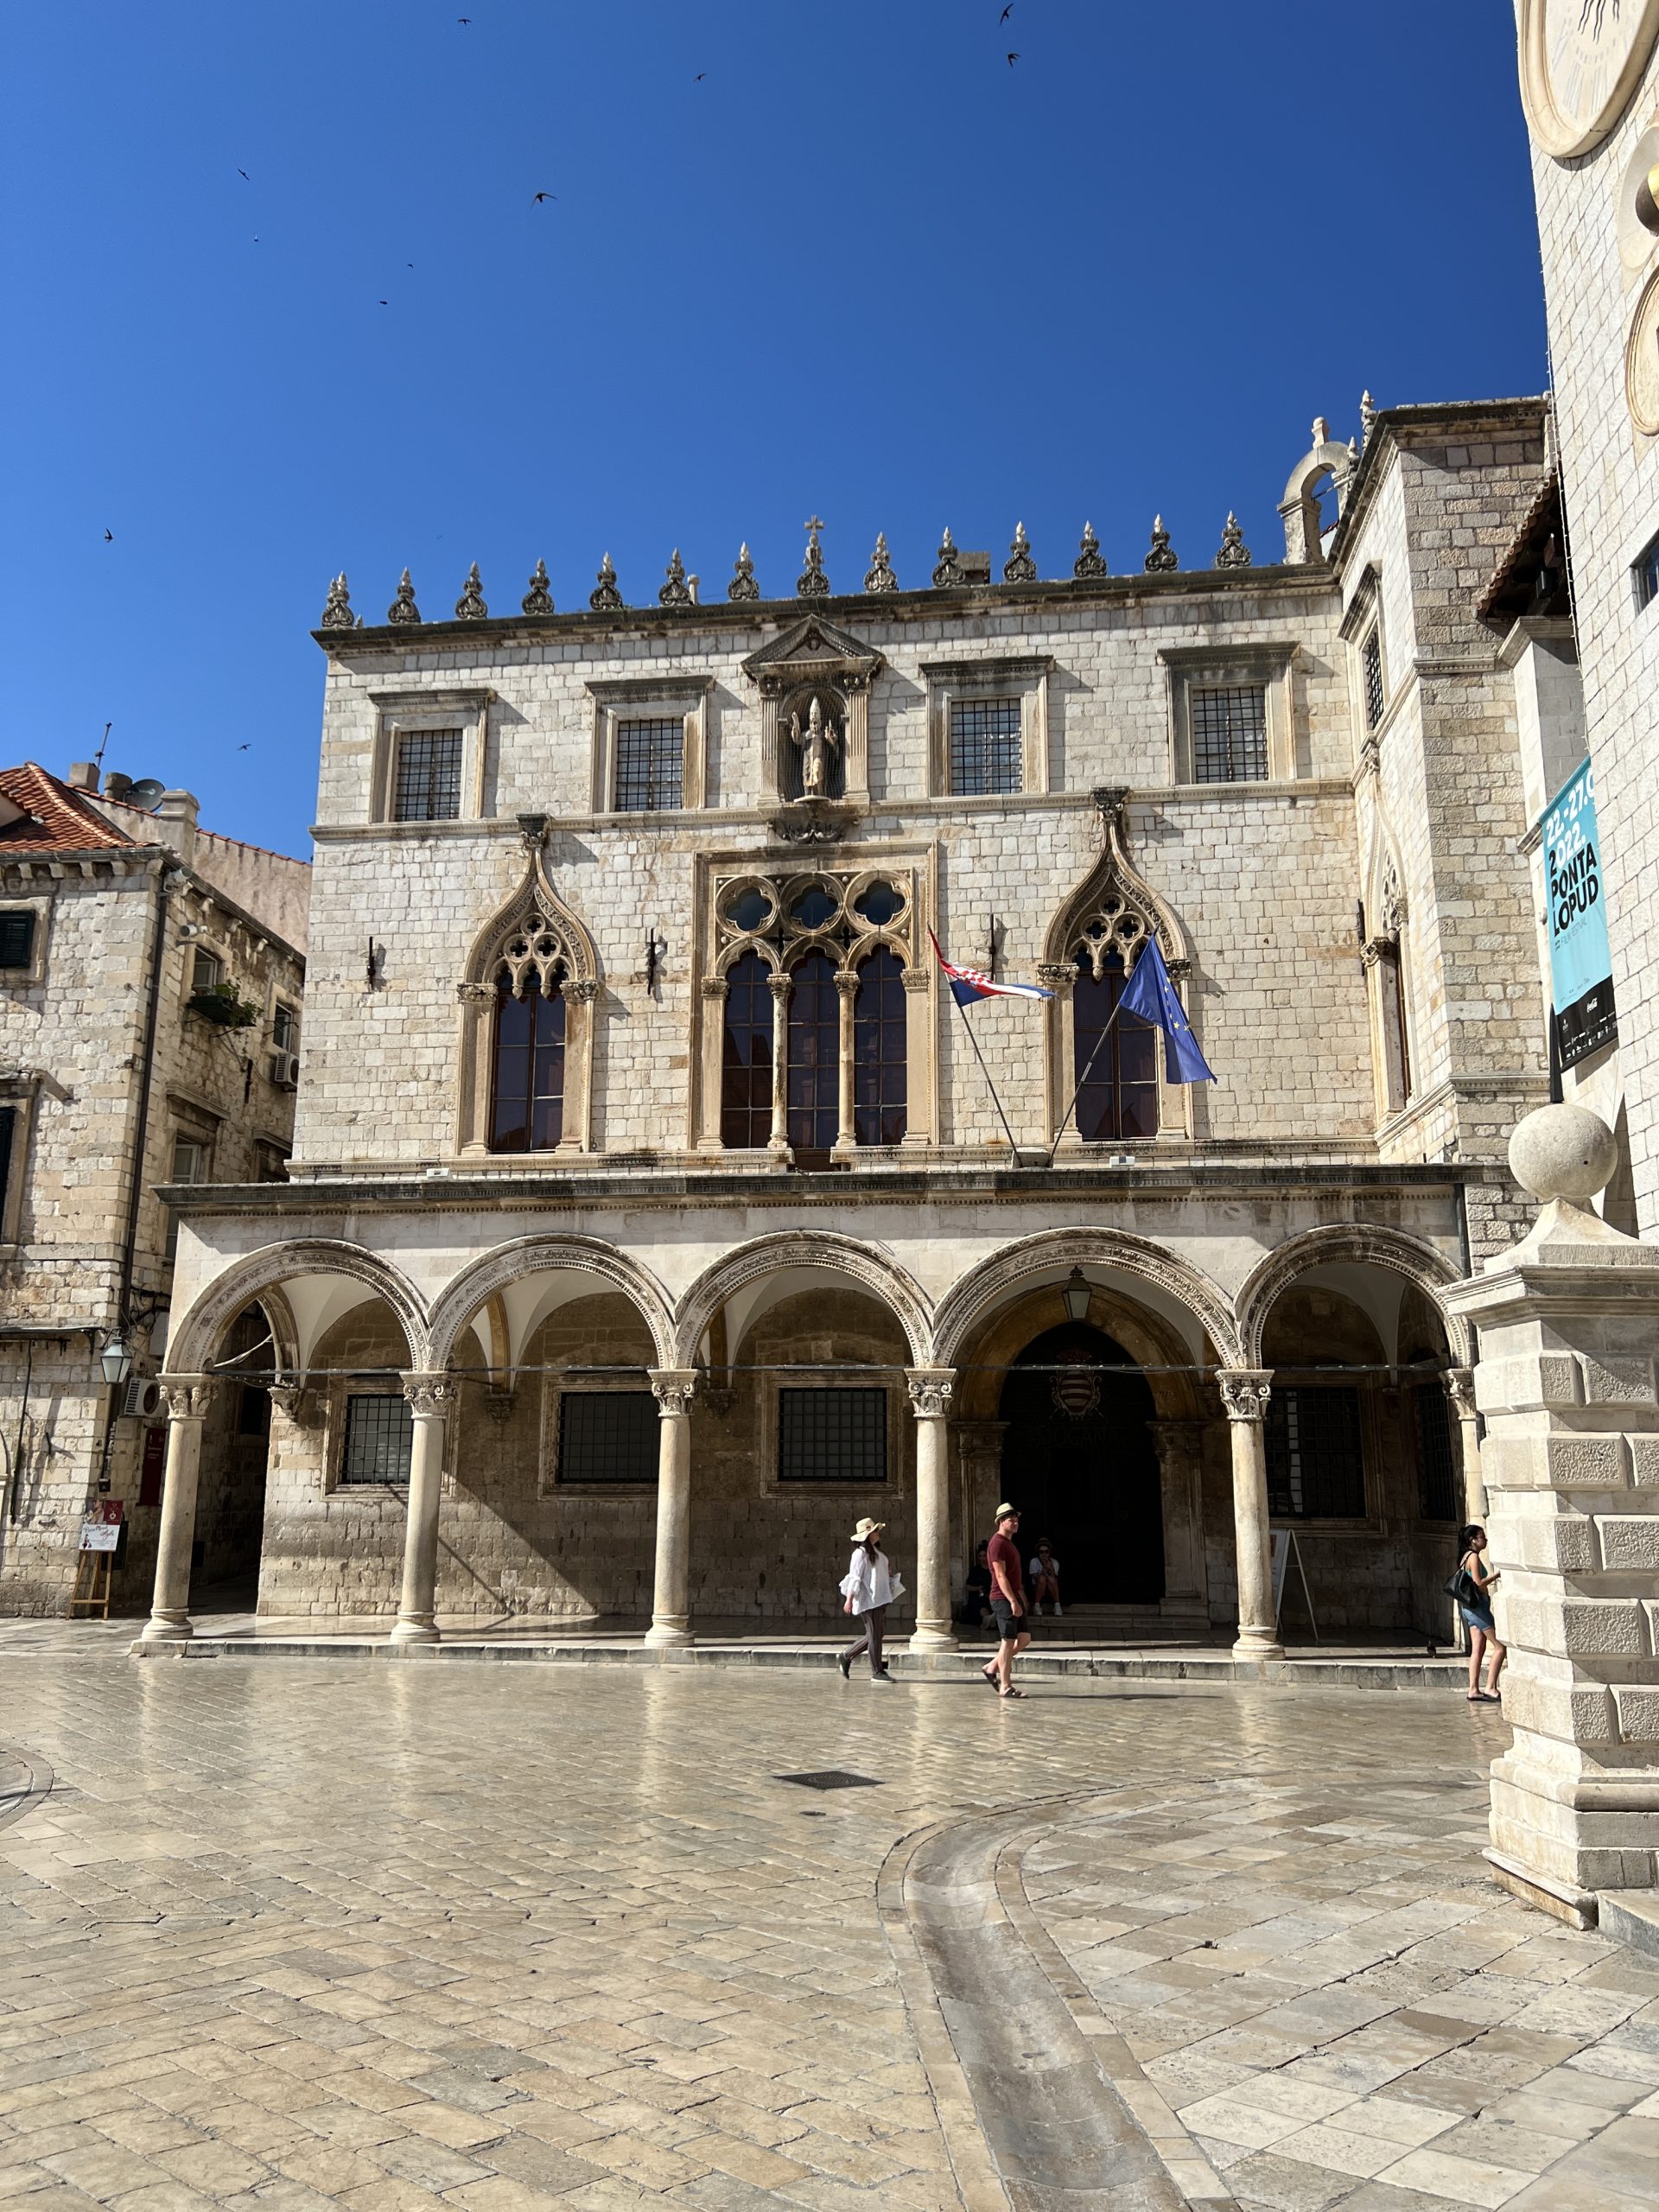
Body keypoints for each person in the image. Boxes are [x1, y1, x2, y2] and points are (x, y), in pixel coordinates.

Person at [839, 1516, 902, 1682]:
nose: (878, 1533)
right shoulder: (859, 1554)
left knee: (877, 1633)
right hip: (868, 1598)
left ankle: (848, 1655)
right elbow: (855, 1577)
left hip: (880, 1597)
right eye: (875, 1531)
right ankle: (877, 1671)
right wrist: (849, 1599)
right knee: (874, 1634)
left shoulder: (877, 1553)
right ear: (868, 1534)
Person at [980, 1503, 1031, 1699]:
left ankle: (992, 1666)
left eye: (1016, 1518)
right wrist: (1012, 1600)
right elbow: (1000, 1576)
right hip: (1002, 1597)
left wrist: (1021, 1598)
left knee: (1024, 1639)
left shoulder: (1008, 1542)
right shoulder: (997, 1543)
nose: (1016, 1522)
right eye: (1011, 1519)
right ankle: (1006, 1686)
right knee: (1008, 1641)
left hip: (1014, 1596)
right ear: (1001, 1522)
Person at [1457, 1522, 1504, 1703]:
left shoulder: (1463, 1557)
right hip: (1478, 1608)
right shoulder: (1473, 1557)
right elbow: (1478, 1583)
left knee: (1478, 1648)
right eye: (1482, 1537)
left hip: (1468, 1609)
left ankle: (1473, 1689)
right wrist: (1497, 1575)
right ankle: (1491, 1687)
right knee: (1500, 1646)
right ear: (1473, 1540)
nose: (1485, 1540)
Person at [957, 1541, 994, 1630]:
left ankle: (990, 1620)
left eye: (984, 1556)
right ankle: (987, 1619)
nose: (982, 1558)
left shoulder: (993, 1570)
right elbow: (968, 1587)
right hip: (977, 1597)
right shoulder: (975, 1570)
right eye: (980, 1556)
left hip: (991, 1596)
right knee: (981, 1606)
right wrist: (978, 1588)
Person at [1028, 1537, 1062, 1618]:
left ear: (1049, 1552)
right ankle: (1037, 1605)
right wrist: (1043, 1569)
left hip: (1051, 1588)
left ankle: (1057, 1605)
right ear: (1038, 1553)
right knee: (1042, 1578)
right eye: (1041, 1552)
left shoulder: (1054, 1562)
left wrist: (1050, 1568)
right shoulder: (1034, 1561)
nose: (1044, 1554)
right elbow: (1035, 1578)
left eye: (1046, 1552)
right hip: (1038, 1587)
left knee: (1051, 1579)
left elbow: (1055, 1578)